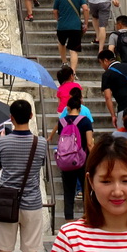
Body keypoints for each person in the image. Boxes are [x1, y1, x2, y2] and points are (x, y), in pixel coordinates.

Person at [0, 99, 48, 252]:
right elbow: (41, 164)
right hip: (32, 202)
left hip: (7, 202)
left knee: (3, 249)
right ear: (31, 115)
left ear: (11, 117)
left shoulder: (2, 142)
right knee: (31, 249)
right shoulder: (41, 143)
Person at [48, 89, 93, 222]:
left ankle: (68, 220)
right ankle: (87, 218)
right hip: (82, 160)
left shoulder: (62, 122)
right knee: (86, 190)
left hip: (66, 160)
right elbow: (89, 143)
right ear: (80, 108)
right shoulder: (85, 121)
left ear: (67, 108)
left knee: (68, 191)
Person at [98, 49, 127, 128]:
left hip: (124, 109)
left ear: (105, 60)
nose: (102, 66)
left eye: (101, 63)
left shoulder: (107, 74)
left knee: (124, 138)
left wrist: (113, 115)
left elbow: (108, 97)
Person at [53, 0, 89, 71]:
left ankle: (64, 62)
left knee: (61, 43)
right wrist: (85, 23)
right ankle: (72, 72)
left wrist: (58, 20)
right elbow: (85, 8)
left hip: (62, 26)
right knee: (73, 50)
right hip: (76, 26)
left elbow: (55, 11)